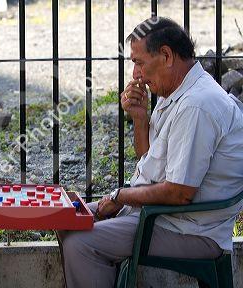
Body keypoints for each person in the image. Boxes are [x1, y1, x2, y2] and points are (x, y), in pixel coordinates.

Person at [57, 17, 243, 288]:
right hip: (162, 216)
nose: (135, 75)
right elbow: (150, 158)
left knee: (81, 244)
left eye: (139, 62)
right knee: (68, 218)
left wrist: (119, 196)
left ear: (166, 55)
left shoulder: (196, 105)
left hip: (190, 229)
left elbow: (179, 193)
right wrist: (140, 119)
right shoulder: (176, 93)